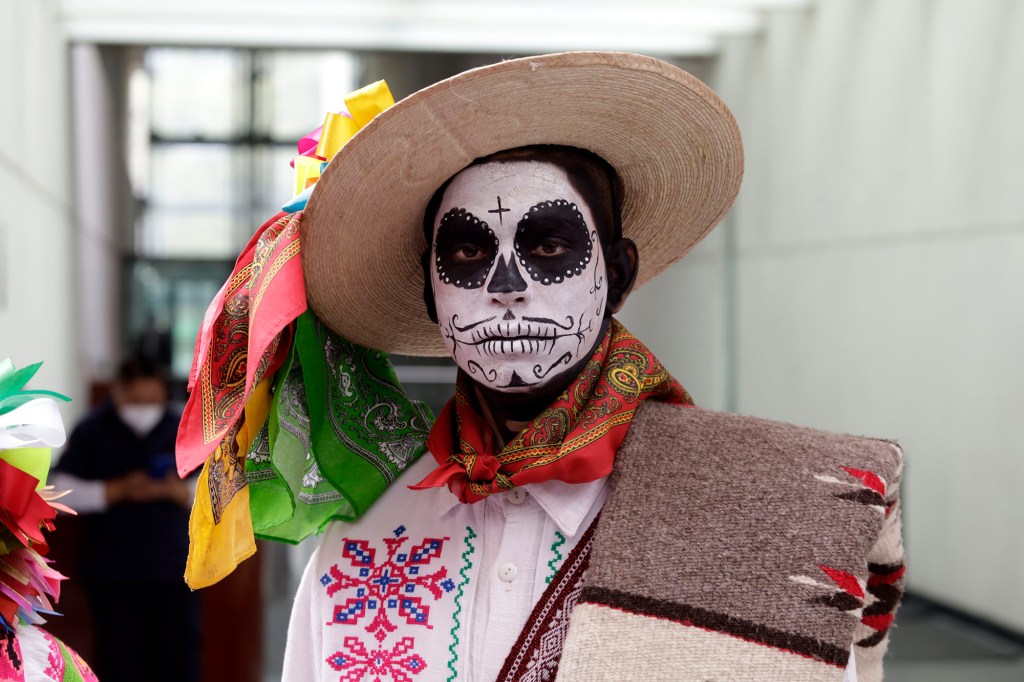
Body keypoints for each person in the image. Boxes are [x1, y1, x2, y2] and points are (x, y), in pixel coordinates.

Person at [176, 52, 903, 681]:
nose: (504, 284)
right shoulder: (363, 537)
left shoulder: (759, 523)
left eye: (550, 245)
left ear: (616, 275)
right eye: (465, 253)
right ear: (432, 294)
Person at [53, 359, 200, 682]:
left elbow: (217, 489)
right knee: (120, 661)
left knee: (178, 660)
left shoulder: (183, 427)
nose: (144, 410)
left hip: (175, 570)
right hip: (114, 572)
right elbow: (58, 490)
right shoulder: (92, 431)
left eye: (152, 403)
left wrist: (178, 492)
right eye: (136, 402)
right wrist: (115, 490)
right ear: (119, 394)